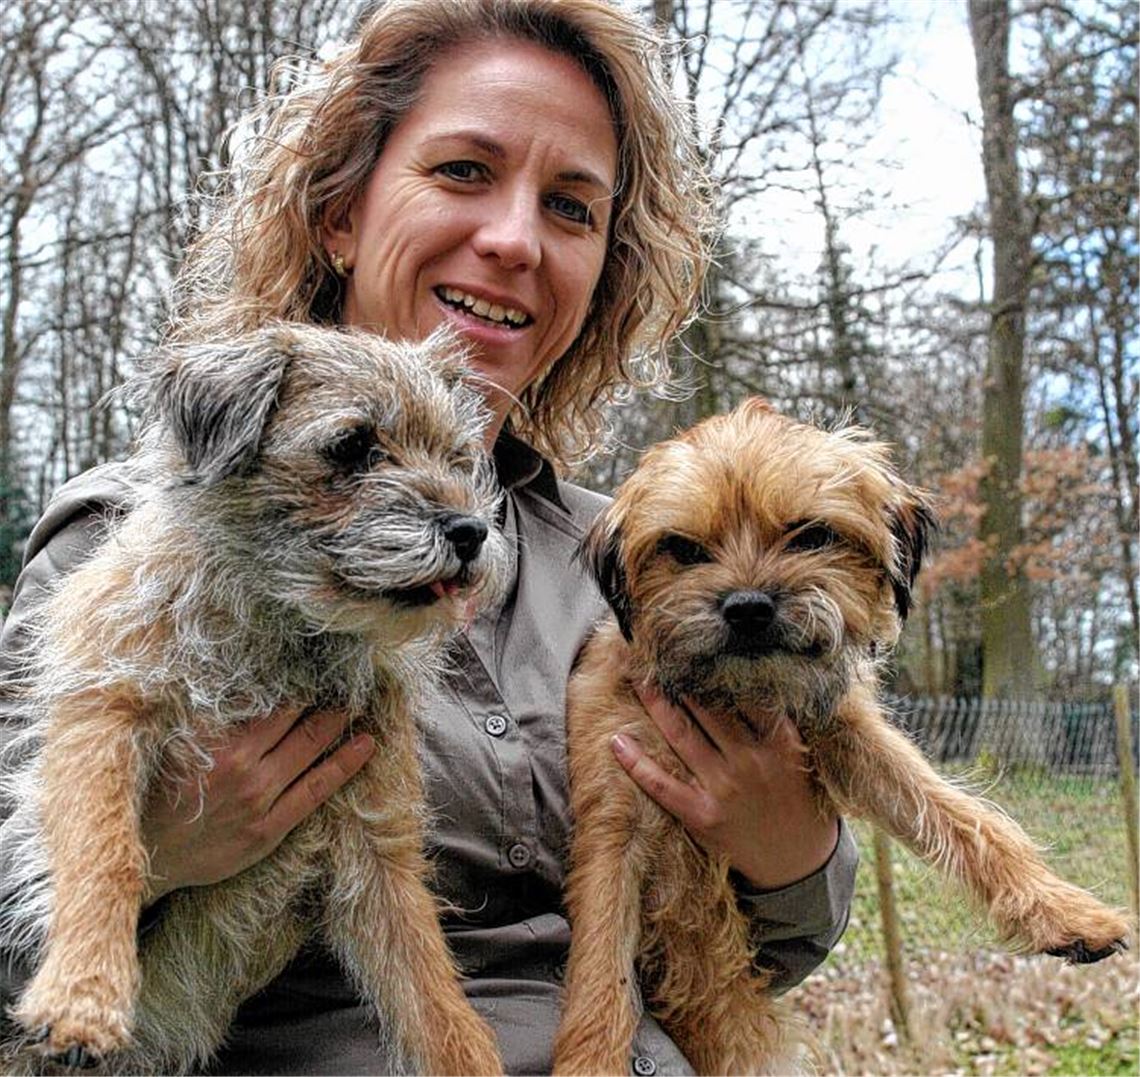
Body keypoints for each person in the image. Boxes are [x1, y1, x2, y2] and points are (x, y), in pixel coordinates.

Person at [0, 1, 858, 1073]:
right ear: (339, 212)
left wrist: (788, 847)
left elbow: (770, 950)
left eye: (572, 207)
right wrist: (157, 851)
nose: (514, 239)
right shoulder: (133, 542)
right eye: (463, 171)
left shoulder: (639, 553)